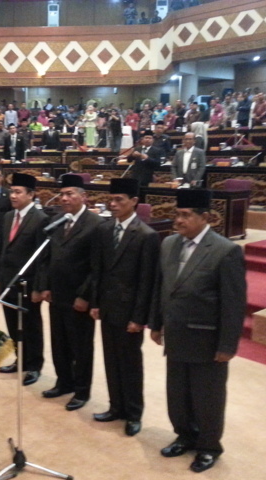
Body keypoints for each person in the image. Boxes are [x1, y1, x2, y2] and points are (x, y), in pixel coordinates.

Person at [149, 189, 246, 473]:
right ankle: (185, 436)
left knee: (207, 398)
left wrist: (227, 345)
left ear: (205, 217)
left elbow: (233, 303)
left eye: (185, 215)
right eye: (176, 214)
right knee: (177, 395)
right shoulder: (169, 244)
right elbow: (161, 287)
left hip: (206, 339)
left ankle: (208, 447)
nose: (178, 220)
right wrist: (156, 323)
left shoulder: (225, 250)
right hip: (176, 334)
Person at [90, 178, 160, 437]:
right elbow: (98, 270)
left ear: (134, 202)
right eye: (111, 199)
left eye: (119, 199)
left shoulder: (146, 235)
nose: (113, 204)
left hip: (129, 312)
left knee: (130, 363)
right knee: (111, 359)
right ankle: (115, 406)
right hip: (108, 307)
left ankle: (133, 413)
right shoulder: (104, 229)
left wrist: (139, 318)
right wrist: (95, 302)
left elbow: (146, 281)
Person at [37, 174, 102, 410]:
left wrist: (84, 296)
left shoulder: (95, 224)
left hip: (78, 297)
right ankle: (64, 382)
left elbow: (96, 267)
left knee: (80, 346)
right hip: (57, 294)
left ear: (83, 197)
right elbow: (47, 258)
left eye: (69, 194)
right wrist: (45, 286)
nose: (64, 199)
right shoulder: (56, 221)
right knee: (59, 342)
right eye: (62, 194)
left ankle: (82, 391)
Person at [0, 173, 48, 386]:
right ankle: (21, 359)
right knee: (12, 323)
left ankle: (34, 365)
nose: (13, 196)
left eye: (18, 192)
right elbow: (2, 250)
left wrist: (39, 288)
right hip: (7, 280)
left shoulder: (40, 219)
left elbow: (42, 259)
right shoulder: (8, 217)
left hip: (28, 284)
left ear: (31, 195)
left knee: (31, 325)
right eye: (11, 192)